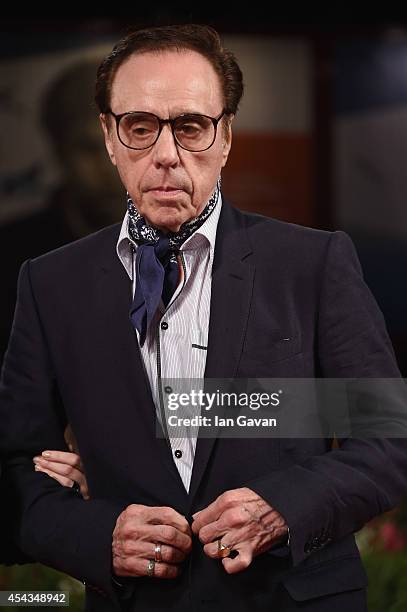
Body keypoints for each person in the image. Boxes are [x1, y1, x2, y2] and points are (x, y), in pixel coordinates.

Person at [1, 24, 406, 612]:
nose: (166, 155)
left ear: (226, 138)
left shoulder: (312, 263)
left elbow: (390, 438)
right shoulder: (49, 283)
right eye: (140, 128)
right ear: (109, 137)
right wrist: (94, 534)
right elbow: (14, 468)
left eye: (190, 127)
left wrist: (283, 507)